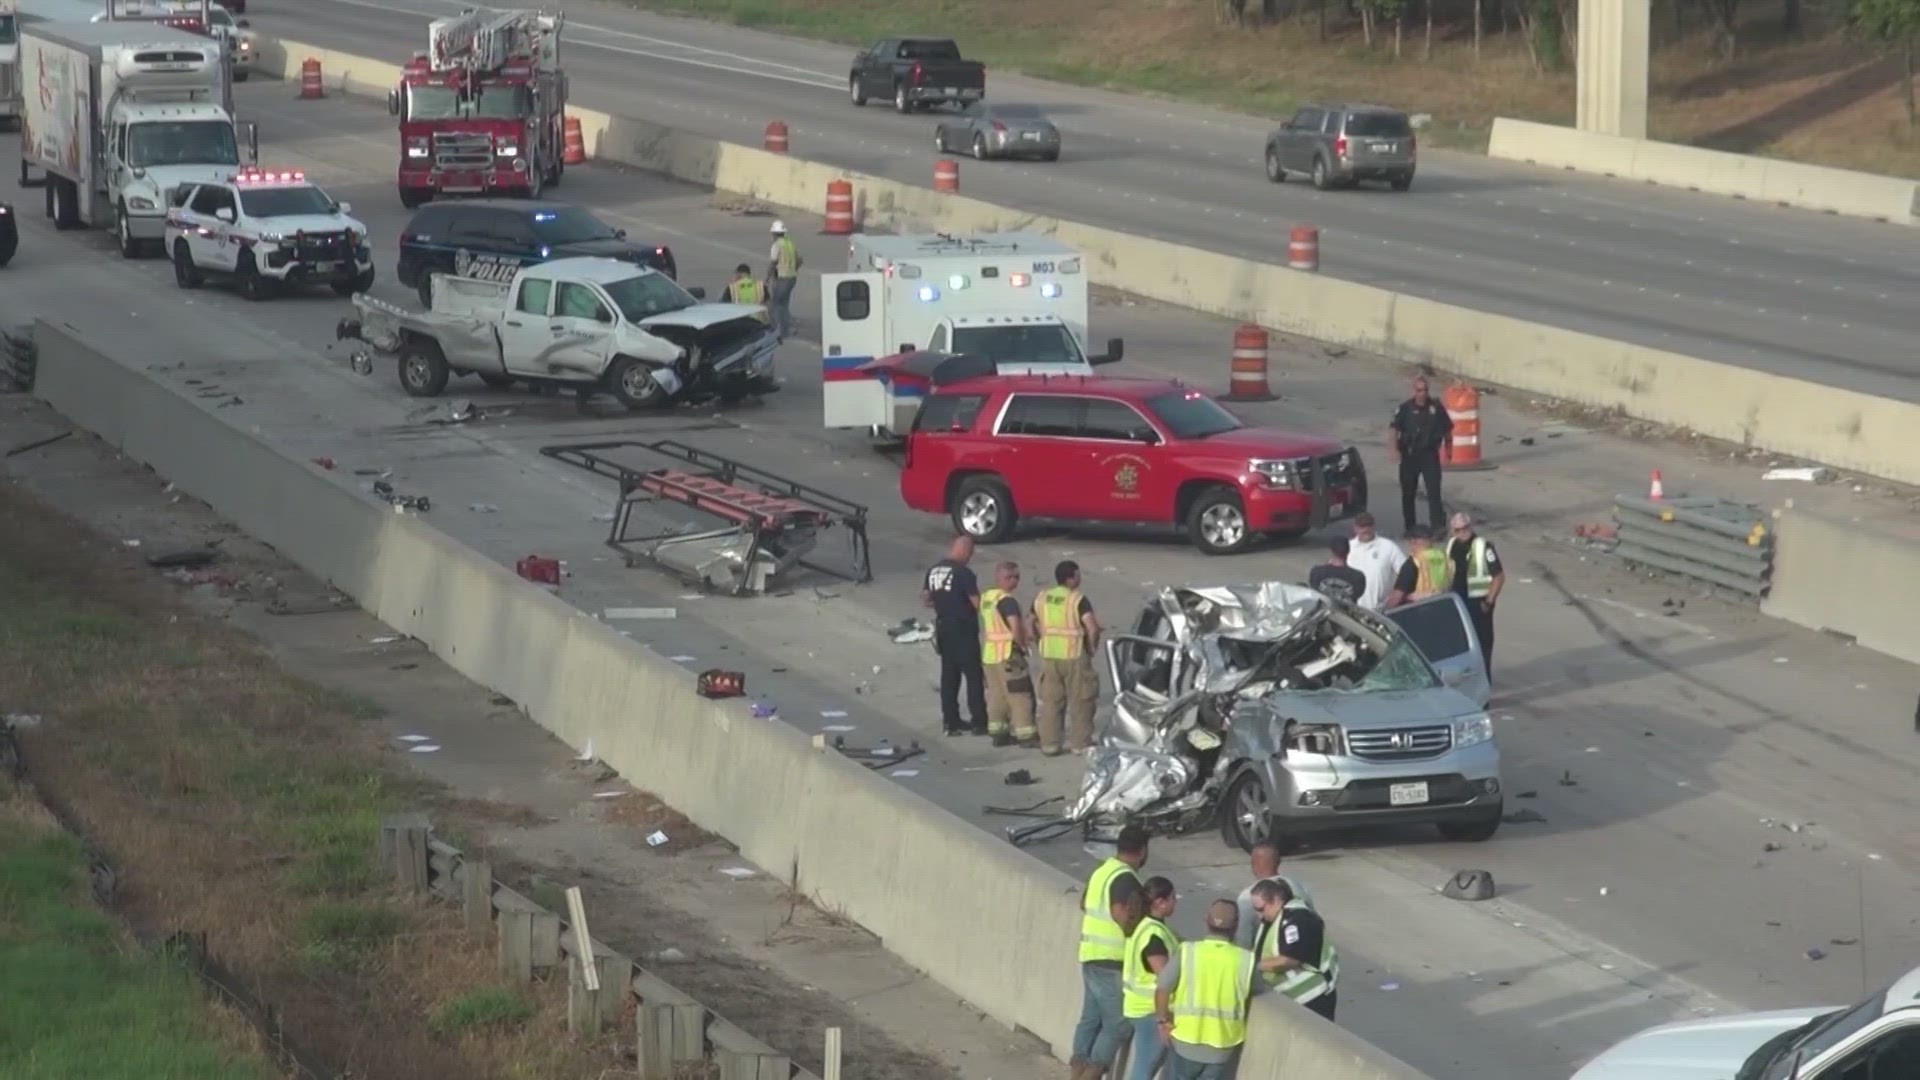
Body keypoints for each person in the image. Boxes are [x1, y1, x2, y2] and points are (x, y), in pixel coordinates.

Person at [1074, 826, 1151, 1080]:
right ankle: (1091, 1075)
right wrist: (1138, 933)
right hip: (1111, 960)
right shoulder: (1126, 878)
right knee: (1118, 1024)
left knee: (1091, 1019)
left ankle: (1077, 1072)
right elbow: (1121, 912)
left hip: (1090, 955)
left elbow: (1084, 902)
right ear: (1142, 851)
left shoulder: (1103, 871)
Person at [1153, 900, 1254, 1080]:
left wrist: (1162, 1021)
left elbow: (1163, 987)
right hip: (1222, 1045)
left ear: (1206, 920)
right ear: (1236, 925)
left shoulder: (1188, 951)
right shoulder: (1245, 960)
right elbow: (1257, 988)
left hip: (1186, 1040)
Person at [1034, 560, 1102, 756]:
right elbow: (1092, 627)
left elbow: (1031, 621)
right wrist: (1092, 646)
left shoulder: (1042, 597)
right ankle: (1080, 744)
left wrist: (1040, 639)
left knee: (1051, 702)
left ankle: (1050, 744)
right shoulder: (1077, 599)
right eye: (1078, 575)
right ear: (1071, 578)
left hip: (1049, 656)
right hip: (1074, 656)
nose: (1080, 578)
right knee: (1082, 701)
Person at [922, 537, 987, 737]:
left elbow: (926, 598)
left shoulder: (933, 570)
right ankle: (979, 722)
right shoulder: (964, 573)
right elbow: (977, 603)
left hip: (944, 628)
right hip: (963, 629)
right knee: (973, 676)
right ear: (966, 551)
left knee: (949, 676)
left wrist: (945, 604)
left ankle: (950, 721)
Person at [1249, 879, 1340, 1020]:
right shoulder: (1274, 918)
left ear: (1276, 899)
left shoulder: (1297, 920)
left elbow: (1289, 960)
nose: (1259, 915)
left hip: (1312, 997)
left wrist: (1251, 965)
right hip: (1295, 998)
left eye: (1261, 909)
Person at [1121, 877, 1179, 1080]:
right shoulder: (1153, 935)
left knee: (1145, 1066)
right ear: (1161, 902)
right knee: (1145, 1068)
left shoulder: (1144, 926)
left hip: (1140, 1008)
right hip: (1150, 1011)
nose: (1175, 902)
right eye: (1173, 898)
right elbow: (1165, 977)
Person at [981, 561, 1039, 748]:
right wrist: (1022, 644)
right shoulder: (1007, 601)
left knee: (997, 695)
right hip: (1008, 654)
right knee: (1019, 695)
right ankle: (1026, 735)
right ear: (998, 577)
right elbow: (1014, 625)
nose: (1013, 581)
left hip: (990, 655)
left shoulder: (988, 598)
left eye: (1017, 577)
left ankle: (999, 733)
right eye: (1009, 577)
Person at [1389, 376, 1453, 535]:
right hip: (1410, 456)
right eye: (1419, 390)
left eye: (1425, 390)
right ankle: (1410, 527)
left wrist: (1449, 451)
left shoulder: (1436, 408)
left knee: (1434, 491)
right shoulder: (1405, 409)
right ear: (1414, 391)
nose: (1422, 393)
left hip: (1429, 455)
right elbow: (1393, 429)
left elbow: (1448, 429)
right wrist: (1394, 449)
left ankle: (1437, 526)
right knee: (1408, 492)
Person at [1445, 512, 1505, 678]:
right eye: (1458, 529)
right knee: (1461, 645)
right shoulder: (1451, 545)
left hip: (1479, 604)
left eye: (1465, 528)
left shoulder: (1483, 546)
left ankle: (1484, 683)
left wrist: (1488, 602)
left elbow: (1499, 577)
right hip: (1458, 602)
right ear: (1453, 531)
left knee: (1482, 645)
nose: (1462, 532)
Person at [1233, 842, 1315, 950]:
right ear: (1278, 862)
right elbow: (1314, 923)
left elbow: (1243, 941)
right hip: (1303, 955)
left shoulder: (1247, 897)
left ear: (1254, 863)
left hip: (1270, 961)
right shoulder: (1298, 887)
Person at [1345, 513, 1406, 612]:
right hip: (1353, 610)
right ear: (1355, 528)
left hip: (1382, 609)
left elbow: (1406, 572)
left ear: (1374, 526)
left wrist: (1399, 592)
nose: (1366, 530)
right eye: (1362, 526)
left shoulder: (1388, 546)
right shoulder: (1348, 547)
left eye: (1368, 526)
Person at [1386, 525, 1453, 609]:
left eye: (1411, 540)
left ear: (1414, 542)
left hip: (1419, 611)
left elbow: (1397, 597)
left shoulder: (1413, 563)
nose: (1409, 543)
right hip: (1441, 607)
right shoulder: (1443, 557)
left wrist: (1386, 610)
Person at [765, 220, 802, 340]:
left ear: (775, 234)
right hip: (792, 278)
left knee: (776, 304)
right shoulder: (789, 244)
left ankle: (781, 330)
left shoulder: (777, 245)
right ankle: (789, 328)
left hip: (782, 278)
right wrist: (793, 269)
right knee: (784, 304)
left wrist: (767, 278)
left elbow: (773, 262)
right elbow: (799, 260)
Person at [1306, 537, 1368, 605]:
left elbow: (1314, 592)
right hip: (1345, 615)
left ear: (1331, 551)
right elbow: (1357, 595)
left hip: (1322, 614)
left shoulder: (1316, 572)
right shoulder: (1358, 577)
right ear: (1348, 551)